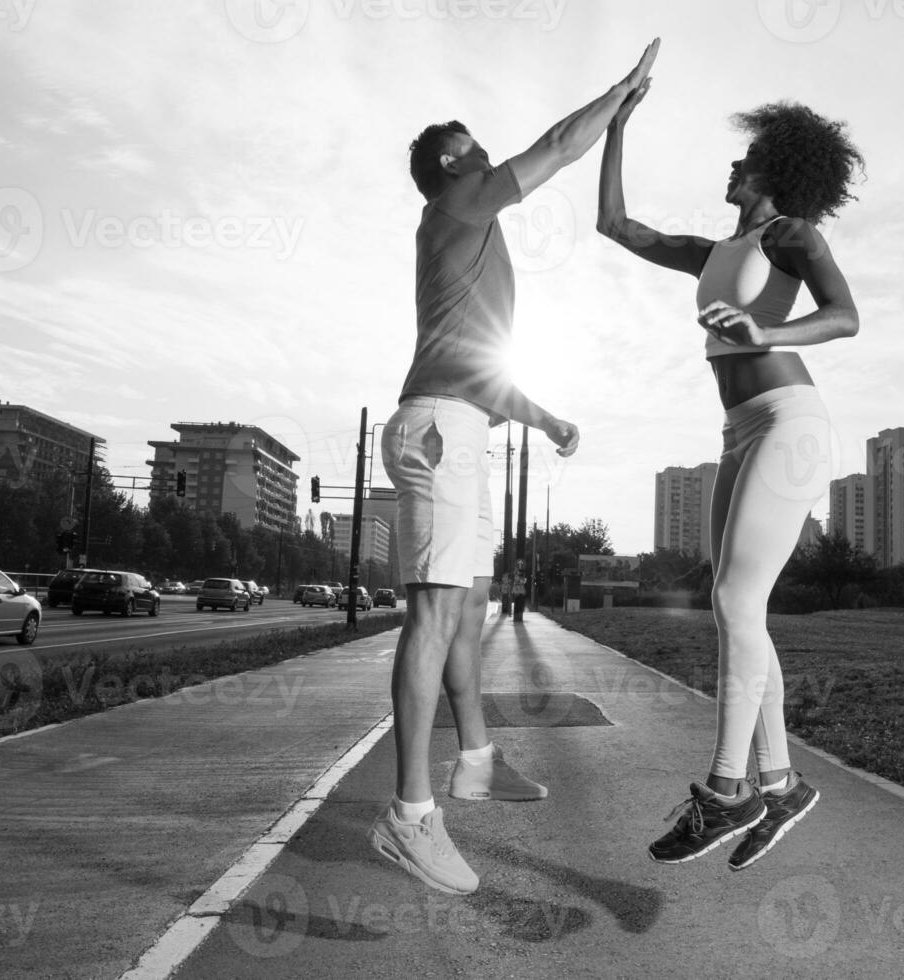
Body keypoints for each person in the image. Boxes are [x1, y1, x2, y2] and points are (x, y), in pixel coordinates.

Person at [368, 38, 661, 896]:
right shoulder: (460, 198)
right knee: (432, 617)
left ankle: (476, 762)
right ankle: (410, 817)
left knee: (465, 614)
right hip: (438, 434)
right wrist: (621, 92)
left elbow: (475, 363)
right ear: (455, 161)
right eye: (478, 144)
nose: (494, 153)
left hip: (460, 425)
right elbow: (562, 143)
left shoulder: (467, 227)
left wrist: (542, 415)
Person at [598, 86, 863, 869]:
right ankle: (779, 787)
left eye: (744, 158)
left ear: (774, 169)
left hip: (791, 421)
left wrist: (765, 328)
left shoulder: (791, 234)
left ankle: (724, 793)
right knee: (738, 610)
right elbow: (617, 226)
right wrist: (617, 127)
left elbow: (844, 314)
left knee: (733, 602)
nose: (732, 163)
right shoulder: (714, 251)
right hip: (739, 431)